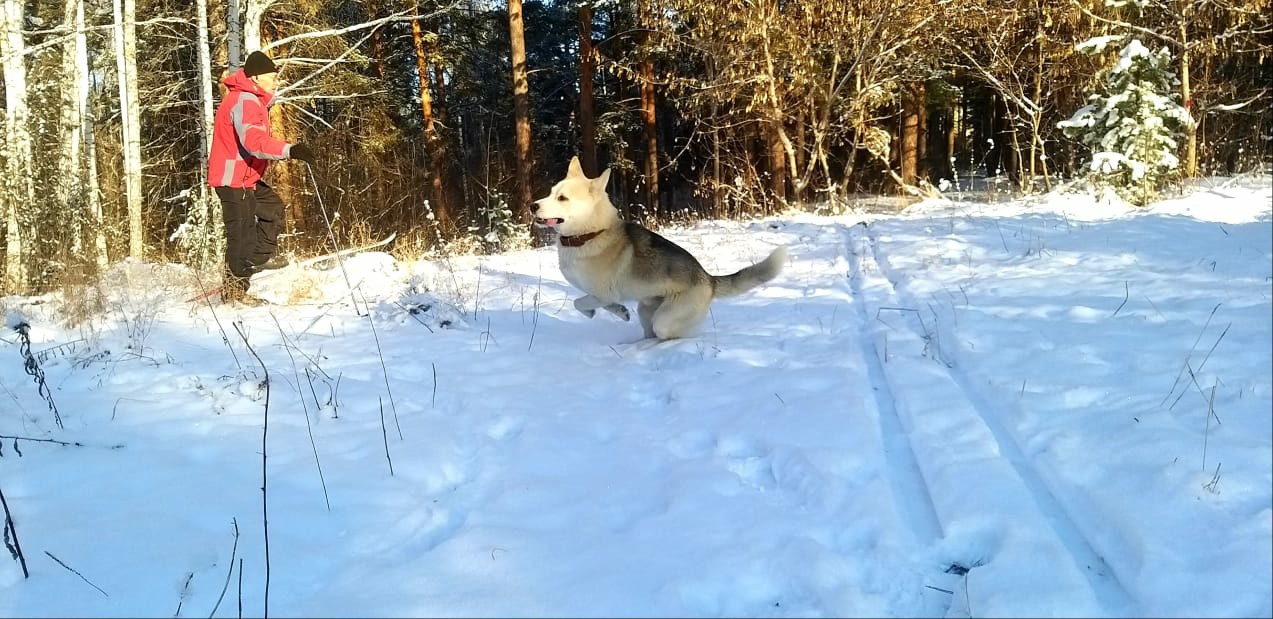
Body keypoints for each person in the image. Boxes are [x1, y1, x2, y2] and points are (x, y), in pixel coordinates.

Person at [207, 50, 316, 304]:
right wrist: (290, 150)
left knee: (273, 209)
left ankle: (256, 260)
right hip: (233, 178)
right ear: (256, 78)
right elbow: (254, 142)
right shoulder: (244, 100)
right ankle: (234, 293)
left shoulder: (251, 100)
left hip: (247, 178)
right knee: (241, 234)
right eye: (271, 76)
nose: (275, 80)